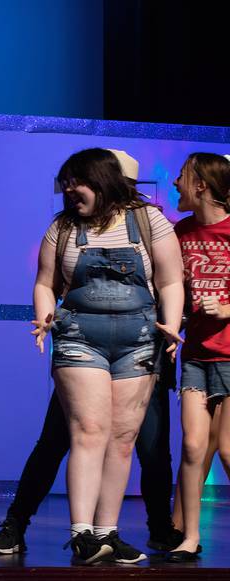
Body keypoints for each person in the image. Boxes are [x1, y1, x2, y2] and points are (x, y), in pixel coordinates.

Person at [0, 150, 181, 556]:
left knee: (123, 439)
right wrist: (44, 316)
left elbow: (171, 280)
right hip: (80, 338)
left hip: (138, 341)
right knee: (87, 432)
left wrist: (173, 324)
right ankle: (81, 534)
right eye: (66, 183)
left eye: (78, 181)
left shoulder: (149, 221)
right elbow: (45, 282)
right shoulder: (62, 227)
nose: (70, 190)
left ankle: (107, 533)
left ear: (104, 180)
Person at [167, 153, 230, 562]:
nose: (175, 183)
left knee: (227, 449)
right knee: (192, 446)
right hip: (195, 356)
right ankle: (188, 537)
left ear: (202, 185)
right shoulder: (182, 232)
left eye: (182, 177)